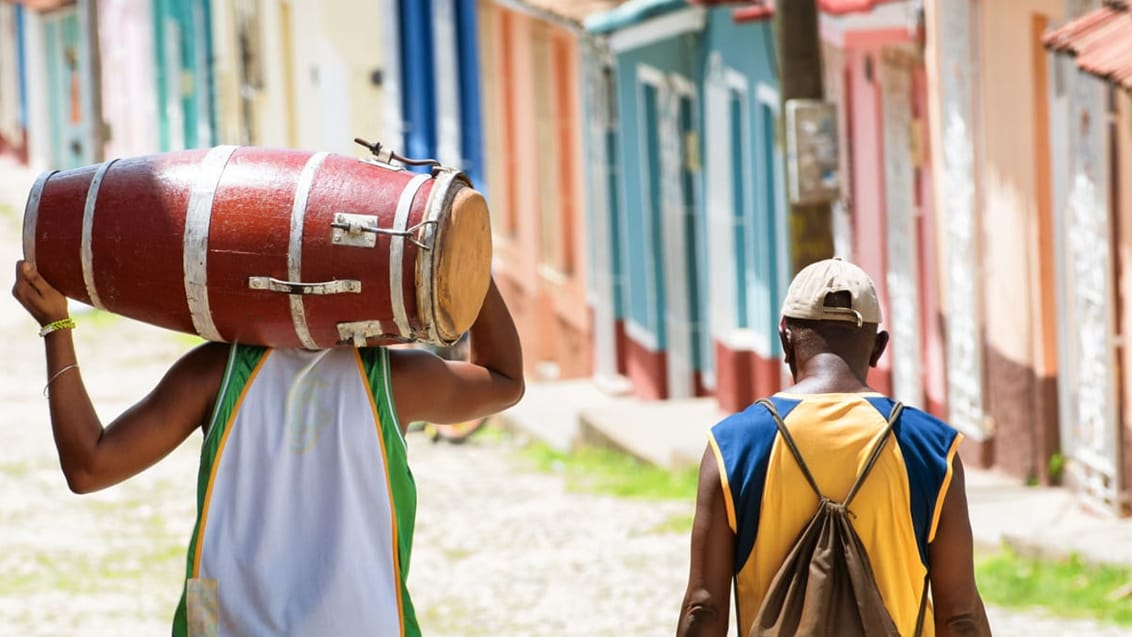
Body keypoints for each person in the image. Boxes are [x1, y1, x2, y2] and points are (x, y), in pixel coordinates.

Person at [12, 259, 524, 637]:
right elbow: (504, 380)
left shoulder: (213, 371)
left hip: (221, 625)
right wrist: (465, 256)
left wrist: (56, 327)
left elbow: (89, 467)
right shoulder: (396, 379)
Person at [677, 258, 990, 637]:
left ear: (785, 340)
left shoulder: (734, 447)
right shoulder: (930, 449)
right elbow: (960, 616)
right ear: (878, 348)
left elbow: (704, 607)